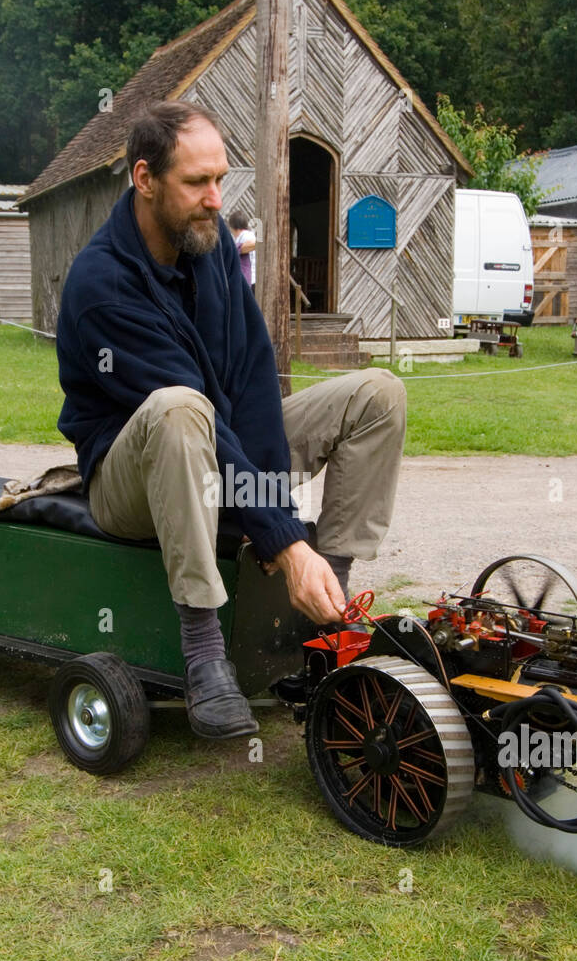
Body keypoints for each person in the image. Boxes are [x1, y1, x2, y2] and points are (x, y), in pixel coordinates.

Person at [55, 100, 406, 741]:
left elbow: (250, 381)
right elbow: (198, 419)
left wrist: (279, 526)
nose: (216, 198)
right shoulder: (101, 286)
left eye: (220, 179)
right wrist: (283, 540)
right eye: (196, 182)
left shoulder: (208, 246)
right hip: (128, 478)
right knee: (180, 408)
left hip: (218, 451)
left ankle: (330, 616)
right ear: (144, 179)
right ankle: (202, 648)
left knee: (376, 395)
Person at [228, 211, 256, 286]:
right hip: (255, 278)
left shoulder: (242, 238)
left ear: (232, 227)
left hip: (248, 280)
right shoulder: (251, 234)